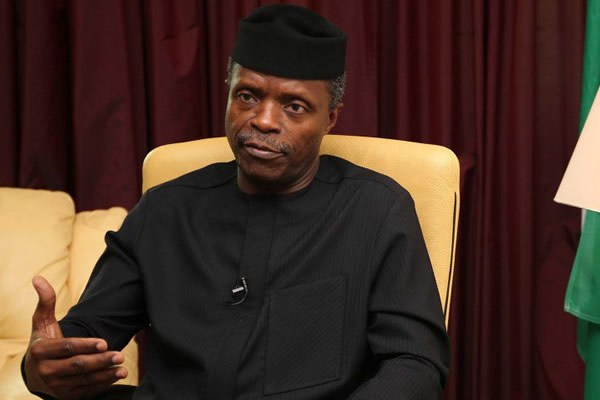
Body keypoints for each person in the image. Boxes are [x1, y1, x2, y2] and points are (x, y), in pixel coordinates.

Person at [22, 4, 450, 399]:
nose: (262, 120)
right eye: (247, 96)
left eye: (294, 106)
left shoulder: (378, 211)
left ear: (330, 119)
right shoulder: (164, 210)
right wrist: (42, 368)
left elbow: (415, 363)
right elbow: (84, 339)